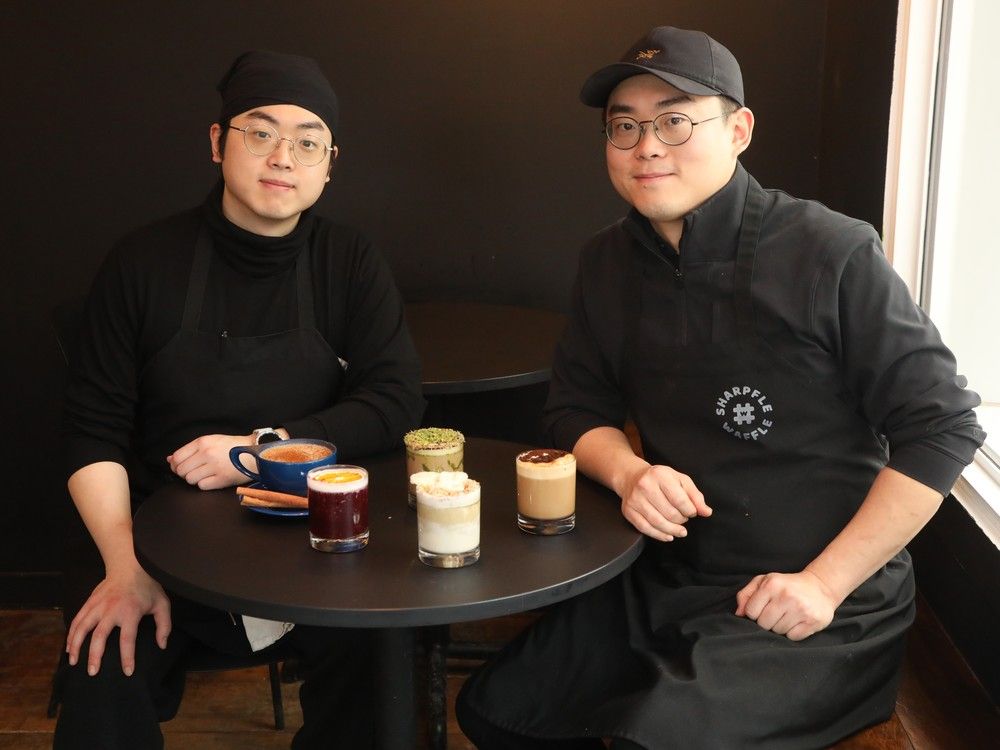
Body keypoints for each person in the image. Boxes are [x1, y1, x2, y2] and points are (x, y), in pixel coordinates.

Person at [456, 25, 986, 749]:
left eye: (675, 120)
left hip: (818, 597)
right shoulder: (607, 262)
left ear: (738, 131)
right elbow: (575, 408)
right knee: (497, 711)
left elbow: (944, 426)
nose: (647, 145)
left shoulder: (831, 250)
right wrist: (631, 471)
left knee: (654, 739)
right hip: (670, 574)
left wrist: (826, 585)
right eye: (625, 126)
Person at [55, 50, 424, 749]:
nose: (284, 156)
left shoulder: (349, 262)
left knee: (377, 675)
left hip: (315, 543)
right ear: (219, 142)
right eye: (261, 132)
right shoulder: (143, 262)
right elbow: (91, 432)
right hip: (153, 546)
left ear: (328, 162)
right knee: (103, 671)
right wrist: (123, 565)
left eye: (307, 141)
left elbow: (395, 400)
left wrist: (261, 453)